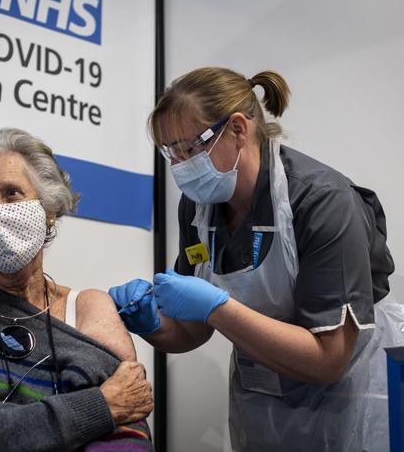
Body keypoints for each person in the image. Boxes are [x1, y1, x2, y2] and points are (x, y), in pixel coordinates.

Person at [109, 67, 403, 451]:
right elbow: (193, 330)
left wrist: (218, 308)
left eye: (190, 148)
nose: (179, 166)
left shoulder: (321, 200)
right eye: (170, 152)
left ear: (237, 129)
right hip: (264, 399)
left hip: (349, 396)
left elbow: (329, 359)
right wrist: (153, 325)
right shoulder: (199, 207)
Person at [0, 128, 154, 451]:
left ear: (48, 212)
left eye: (11, 193)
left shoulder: (89, 310)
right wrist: (100, 406)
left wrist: (13, 426)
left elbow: (127, 432)